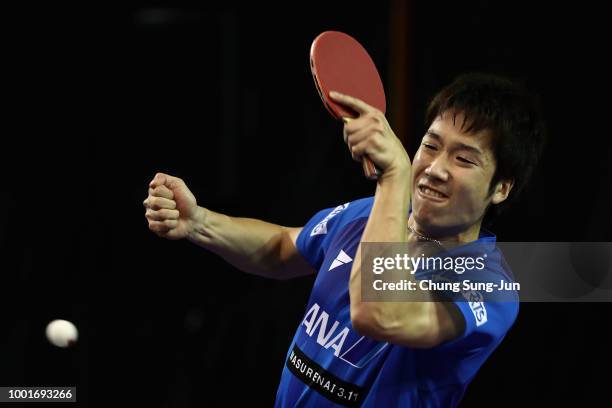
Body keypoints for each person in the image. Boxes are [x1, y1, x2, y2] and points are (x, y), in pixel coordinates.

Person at [143, 73, 546, 406]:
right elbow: (284, 248)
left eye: (464, 159)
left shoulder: (489, 287)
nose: (436, 168)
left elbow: (381, 313)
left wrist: (394, 177)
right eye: (430, 146)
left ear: (501, 188)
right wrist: (199, 223)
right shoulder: (367, 216)